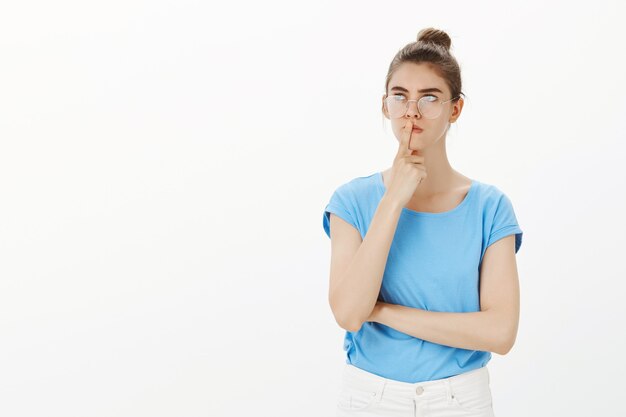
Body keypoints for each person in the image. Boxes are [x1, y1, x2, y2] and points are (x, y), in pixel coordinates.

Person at [322, 27, 523, 417]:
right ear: (385, 105)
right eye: (400, 96)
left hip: (460, 401)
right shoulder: (351, 201)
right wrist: (394, 198)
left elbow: (499, 333)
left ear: (455, 108)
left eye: (429, 97)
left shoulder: (490, 207)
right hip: (370, 399)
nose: (412, 111)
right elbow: (348, 314)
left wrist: (379, 311)